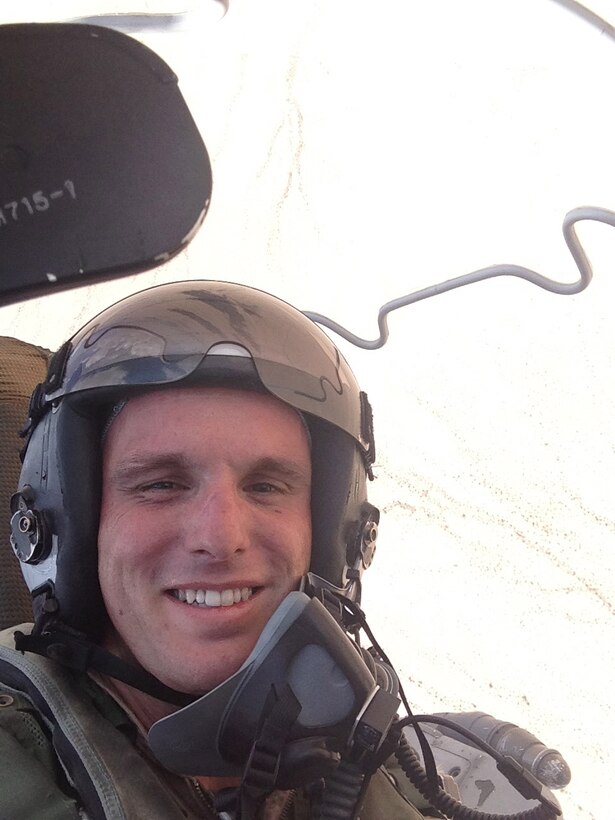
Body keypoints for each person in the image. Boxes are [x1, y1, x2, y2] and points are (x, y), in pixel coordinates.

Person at [0, 280, 454, 820]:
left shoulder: (368, 746)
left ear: (339, 534)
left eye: (266, 486)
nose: (220, 538)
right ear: (64, 521)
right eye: (161, 484)